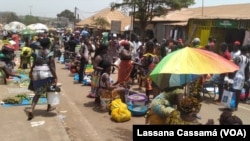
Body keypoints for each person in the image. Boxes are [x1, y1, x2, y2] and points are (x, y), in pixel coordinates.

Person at [27, 38, 58, 120]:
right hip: (45, 74)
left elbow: (34, 63)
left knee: (41, 91)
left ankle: (39, 107)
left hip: (36, 73)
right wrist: (55, 76)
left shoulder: (38, 52)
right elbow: (51, 66)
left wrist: (31, 72)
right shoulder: (50, 53)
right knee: (44, 91)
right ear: (48, 44)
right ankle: (43, 107)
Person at [232, 45, 249, 111]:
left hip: (236, 75)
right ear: (246, 51)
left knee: (233, 90)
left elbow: (235, 67)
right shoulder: (247, 60)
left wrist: (232, 77)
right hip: (242, 77)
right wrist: (247, 79)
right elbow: (246, 70)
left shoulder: (238, 58)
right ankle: (236, 106)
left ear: (241, 51)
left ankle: (231, 104)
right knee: (238, 92)